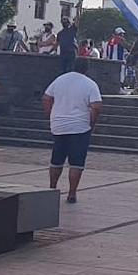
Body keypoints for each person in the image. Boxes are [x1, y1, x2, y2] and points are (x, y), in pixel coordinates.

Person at [43, 62, 102, 202]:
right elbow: (97, 106)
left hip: (59, 125)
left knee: (56, 159)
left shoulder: (60, 80)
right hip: (80, 126)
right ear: (87, 69)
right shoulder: (90, 84)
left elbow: (46, 97)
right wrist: (92, 123)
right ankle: (72, 193)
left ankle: (52, 188)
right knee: (76, 162)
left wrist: (51, 114)